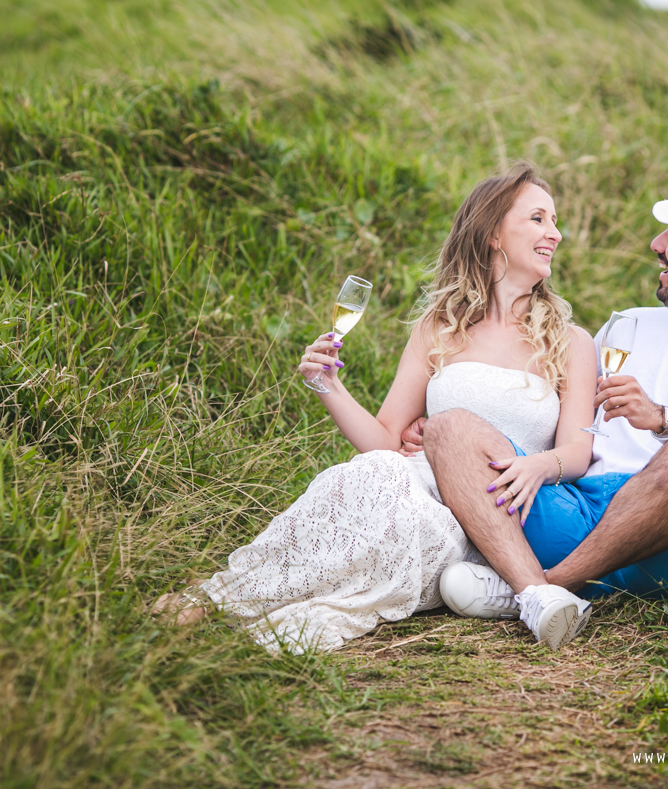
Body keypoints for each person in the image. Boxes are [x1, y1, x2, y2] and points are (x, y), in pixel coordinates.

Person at [151, 162, 599, 651]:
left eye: (554, 221)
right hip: (411, 478)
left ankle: (228, 605)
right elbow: (386, 439)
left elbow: (578, 451)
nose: (555, 234)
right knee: (366, 475)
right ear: (493, 233)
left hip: (485, 517)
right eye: (538, 219)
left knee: (396, 516)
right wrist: (327, 385)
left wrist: (538, 465)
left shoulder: (570, 342)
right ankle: (217, 596)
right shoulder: (439, 328)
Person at [417, 167, 668, 647]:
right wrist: (459, 444)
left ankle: (536, 588)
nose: (656, 245)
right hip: (578, 509)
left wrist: (663, 418)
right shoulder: (629, 325)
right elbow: (561, 415)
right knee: (449, 428)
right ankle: (540, 591)